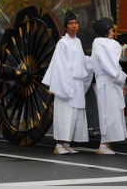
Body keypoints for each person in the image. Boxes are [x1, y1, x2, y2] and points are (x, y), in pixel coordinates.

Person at [42, 9, 93, 155]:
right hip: (66, 82)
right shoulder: (62, 43)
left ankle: (67, 142)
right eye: (71, 23)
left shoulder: (78, 42)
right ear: (66, 27)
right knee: (64, 114)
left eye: (76, 23)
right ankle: (59, 144)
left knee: (75, 114)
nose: (74, 26)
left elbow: (82, 61)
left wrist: (93, 61)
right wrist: (65, 85)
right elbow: (60, 66)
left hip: (76, 83)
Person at [91, 17, 127, 155]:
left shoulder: (113, 44)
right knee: (106, 111)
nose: (114, 33)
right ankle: (104, 143)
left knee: (113, 111)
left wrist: (121, 83)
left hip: (113, 82)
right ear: (106, 30)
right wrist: (120, 78)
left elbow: (115, 64)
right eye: (112, 30)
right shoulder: (99, 43)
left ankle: (108, 142)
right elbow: (110, 65)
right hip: (106, 82)